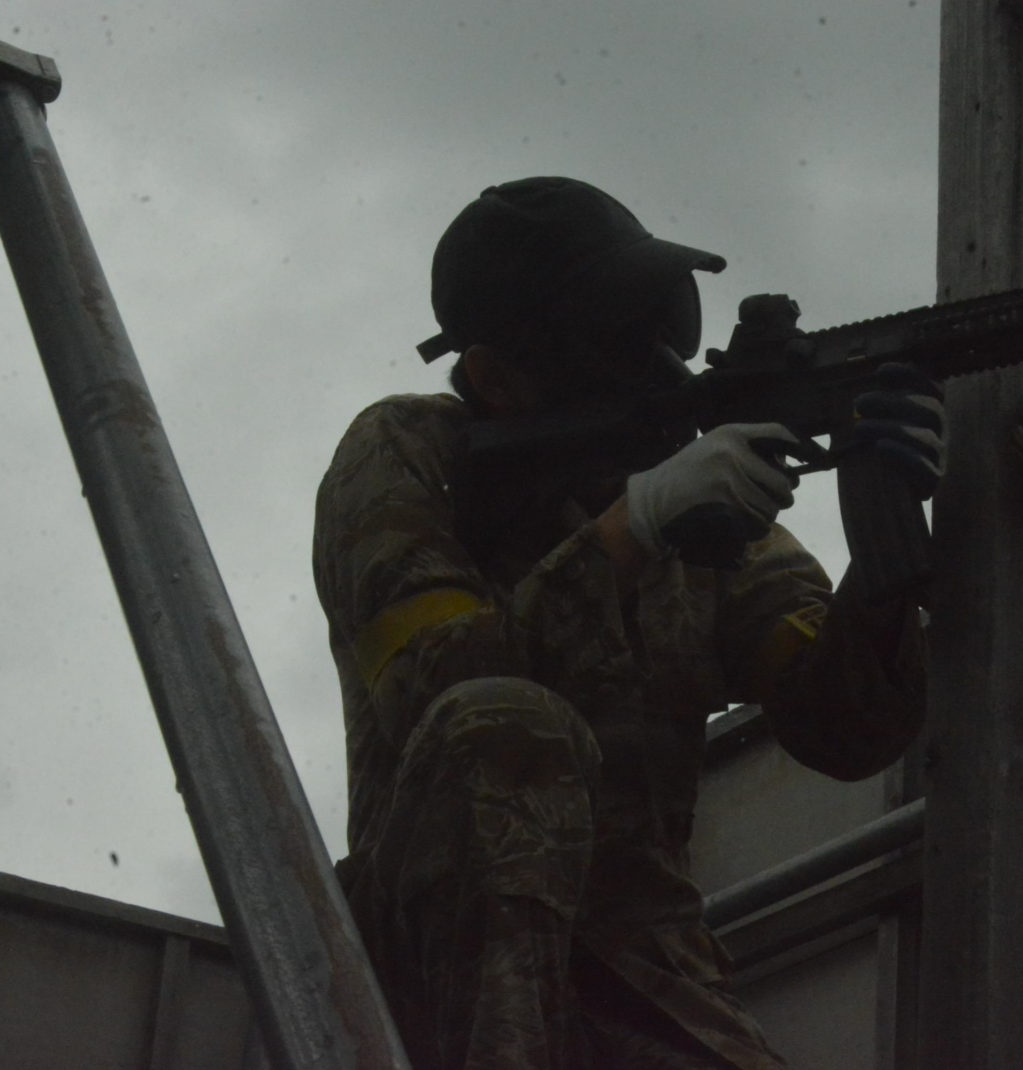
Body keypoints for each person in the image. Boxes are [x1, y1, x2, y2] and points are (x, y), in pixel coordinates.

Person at [312, 176, 942, 1069]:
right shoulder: (412, 454)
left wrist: (881, 563)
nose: (657, 366)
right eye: (612, 339)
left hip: (643, 962)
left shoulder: (695, 508)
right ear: (494, 376)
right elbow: (434, 689)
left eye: (659, 329)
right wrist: (630, 534)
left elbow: (844, 729)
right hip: (429, 949)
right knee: (504, 721)